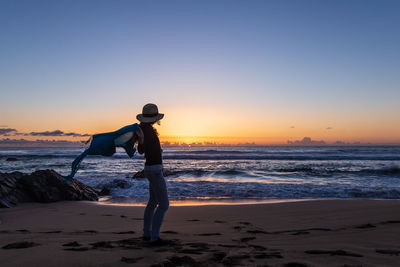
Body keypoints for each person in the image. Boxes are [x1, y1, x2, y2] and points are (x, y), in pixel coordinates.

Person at [136, 103, 169, 246]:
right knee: (164, 204)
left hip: (151, 168)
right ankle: (154, 237)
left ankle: (146, 233)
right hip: (154, 170)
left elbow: (143, 150)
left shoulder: (145, 129)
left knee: (153, 202)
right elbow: (141, 150)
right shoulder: (146, 131)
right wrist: (142, 141)